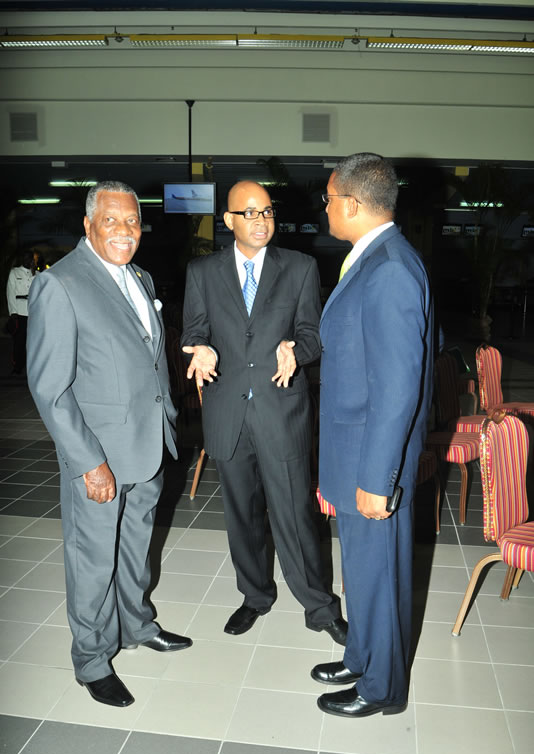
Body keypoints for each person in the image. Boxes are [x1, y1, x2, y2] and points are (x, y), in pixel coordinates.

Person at [27, 180, 192, 708]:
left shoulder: (138, 276)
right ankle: (92, 659)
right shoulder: (61, 284)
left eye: (133, 222)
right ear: (88, 225)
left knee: (135, 549)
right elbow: (50, 390)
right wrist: (89, 462)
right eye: (112, 222)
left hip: (147, 443)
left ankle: (138, 625)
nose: (125, 232)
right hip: (98, 455)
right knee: (93, 559)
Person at [181, 180, 346, 644]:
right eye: (249, 213)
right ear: (229, 220)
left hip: (281, 410)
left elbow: (313, 335)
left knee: (295, 514)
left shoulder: (299, 267)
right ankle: (255, 596)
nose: (261, 220)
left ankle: (319, 606)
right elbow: (192, 332)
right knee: (242, 515)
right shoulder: (203, 272)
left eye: (268, 211)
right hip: (227, 412)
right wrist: (200, 350)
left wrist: (298, 349)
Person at [312, 154, 434, 717]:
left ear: (353, 205)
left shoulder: (389, 270)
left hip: (372, 461)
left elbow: (396, 390)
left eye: (329, 198)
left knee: (379, 576)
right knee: (361, 571)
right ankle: (361, 655)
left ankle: (381, 687)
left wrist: (377, 480)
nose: (326, 207)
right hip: (353, 453)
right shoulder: (372, 260)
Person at [6, 250, 35, 374]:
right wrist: (13, 312)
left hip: (34, 313)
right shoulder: (14, 272)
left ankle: (32, 367)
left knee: (33, 342)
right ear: (22, 259)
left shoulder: (37, 274)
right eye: (25, 258)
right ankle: (18, 366)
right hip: (20, 312)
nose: (28, 260)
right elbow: (10, 292)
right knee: (19, 342)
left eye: (30, 258)